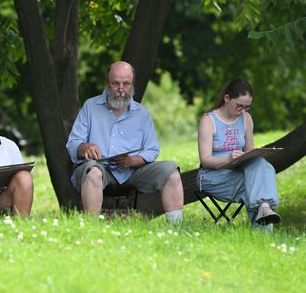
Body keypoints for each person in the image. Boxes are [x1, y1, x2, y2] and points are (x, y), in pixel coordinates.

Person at [66, 61, 184, 223]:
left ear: (132, 85)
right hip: (100, 170)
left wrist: (134, 160)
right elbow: (72, 144)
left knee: (170, 170)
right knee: (93, 171)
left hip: (133, 171)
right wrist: (84, 147)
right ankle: (90, 228)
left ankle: (175, 229)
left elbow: (152, 149)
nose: (121, 89)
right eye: (115, 83)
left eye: (126, 84)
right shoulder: (90, 107)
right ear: (107, 84)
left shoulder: (141, 113)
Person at [197, 78, 280, 230]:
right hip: (214, 176)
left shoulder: (246, 119)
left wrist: (248, 156)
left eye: (247, 107)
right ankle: (265, 231)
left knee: (261, 165)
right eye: (239, 106)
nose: (242, 111)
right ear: (227, 98)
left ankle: (264, 210)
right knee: (256, 185)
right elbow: (205, 160)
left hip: (239, 170)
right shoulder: (209, 121)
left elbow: (250, 152)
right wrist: (228, 158)